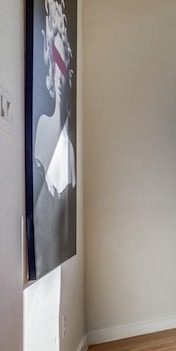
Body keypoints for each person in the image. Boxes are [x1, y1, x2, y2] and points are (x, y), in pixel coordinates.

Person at [32, 0, 76, 278]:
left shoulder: (68, 147)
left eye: (64, 64)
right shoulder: (43, 130)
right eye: (55, 61)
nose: (60, 73)